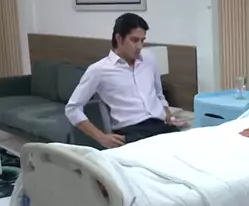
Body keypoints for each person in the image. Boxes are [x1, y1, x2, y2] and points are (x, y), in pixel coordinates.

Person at [65, 13, 181, 148]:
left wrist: (169, 117)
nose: (139, 46)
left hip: (161, 126)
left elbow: (159, 95)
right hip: (132, 131)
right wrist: (101, 137)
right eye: (134, 40)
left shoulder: (149, 59)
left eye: (142, 41)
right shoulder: (99, 70)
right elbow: (72, 108)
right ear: (119, 38)